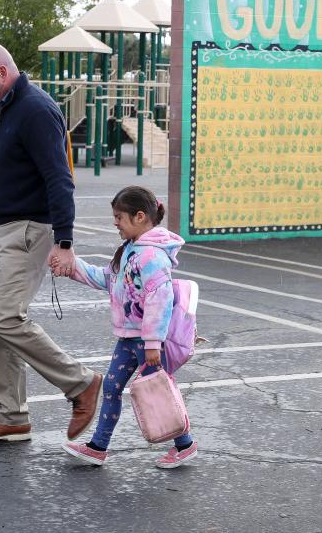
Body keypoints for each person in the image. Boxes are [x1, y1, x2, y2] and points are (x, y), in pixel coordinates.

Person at [0, 42, 103, 443]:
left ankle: (82, 384)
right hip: (6, 229)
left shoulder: (36, 110)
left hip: (27, 230)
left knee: (7, 319)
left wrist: (65, 241)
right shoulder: (6, 108)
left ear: (2, 73)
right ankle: (12, 416)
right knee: (1, 324)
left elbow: (60, 178)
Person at [58, 186, 198, 469]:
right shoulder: (129, 251)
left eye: (119, 217)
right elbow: (105, 279)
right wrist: (72, 266)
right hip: (129, 338)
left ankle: (185, 444)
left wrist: (152, 343)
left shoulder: (152, 257)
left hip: (145, 343)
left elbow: (161, 300)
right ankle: (98, 447)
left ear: (139, 216)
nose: (115, 223)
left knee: (157, 392)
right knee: (111, 386)